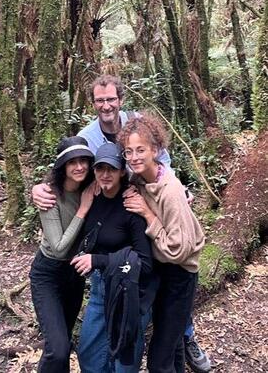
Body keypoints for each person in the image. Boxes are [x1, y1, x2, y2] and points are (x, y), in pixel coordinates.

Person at [32, 74, 211, 373]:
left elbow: (162, 168)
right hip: (127, 238)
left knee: (167, 324)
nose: (106, 105)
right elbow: (71, 164)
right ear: (93, 103)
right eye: (100, 100)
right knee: (98, 344)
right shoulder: (89, 136)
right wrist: (40, 188)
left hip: (157, 238)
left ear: (121, 100)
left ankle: (186, 338)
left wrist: (174, 194)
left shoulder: (140, 128)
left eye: (111, 99)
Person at [119, 113, 205, 373]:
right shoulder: (139, 180)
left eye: (140, 150)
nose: (134, 157)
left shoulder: (170, 189)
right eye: (128, 151)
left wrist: (147, 213)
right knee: (173, 342)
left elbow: (179, 250)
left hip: (180, 274)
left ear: (155, 150)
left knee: (159, 357)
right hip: (160, 271)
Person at [70, 142, 154, 373]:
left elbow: (145, 263)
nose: (105, 175)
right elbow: (63, 178)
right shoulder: (91, 194)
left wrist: (96, 260)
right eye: (100, 169)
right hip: (100, 288)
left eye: (112, 169)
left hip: (130, 292)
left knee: (123, 362)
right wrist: (40, 189)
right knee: (88, 355)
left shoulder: (131, 203)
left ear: (122, 171)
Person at [29, 136, 95, 373]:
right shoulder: (49, 195)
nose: (79, 167)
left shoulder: (92, 188)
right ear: (63, 166)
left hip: (74, 275)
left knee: (62, 345)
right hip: (48, 274)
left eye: (83, 161)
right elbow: (59, 247)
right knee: (57, 348)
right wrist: (84, 208)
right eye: (72, 162)